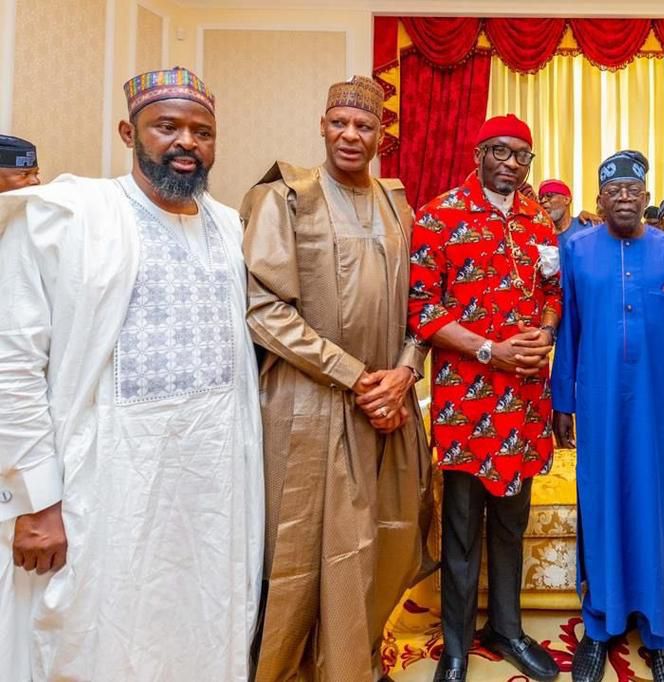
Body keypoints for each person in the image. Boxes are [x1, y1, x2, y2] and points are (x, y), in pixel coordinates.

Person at [0, 67, 262, 681]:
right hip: (104, 488)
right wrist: (37, 500)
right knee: (95, 634)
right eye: (167, 126)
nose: (187, 143)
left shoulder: (231, 229)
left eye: (202, 132)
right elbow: (12, 361)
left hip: (212, 490)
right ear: (129, 131)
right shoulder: (64, 216)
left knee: (204, 621)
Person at [241, 75, 433, 682]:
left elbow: (421, 308)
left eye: (365, 125)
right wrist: (356, 377)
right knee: (303, 551)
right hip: (310, 404)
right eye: (339, 123)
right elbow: (264, 310)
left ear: (382, 135)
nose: (351, 135)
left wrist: (403, 374)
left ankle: (356, 658)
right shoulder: (286, 197)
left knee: (388, 538)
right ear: (322, 126)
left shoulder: (396, 202)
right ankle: (292, 669)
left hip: (390, 407)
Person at [407, 113, 561, 682]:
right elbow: (423, 309)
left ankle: (507, 628)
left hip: (523, 399)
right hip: (467, 398)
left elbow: (553, 291)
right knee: (464, 522)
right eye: (500, 151)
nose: (511, 163)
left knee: (511, 520)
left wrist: (544, 332)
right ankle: (455, 643)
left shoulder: (539, 222)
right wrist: (490, 350)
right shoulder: (439, 214)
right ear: (479, 153)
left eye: (522, 155)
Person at [551, 150, 664, 682]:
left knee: (655, 505)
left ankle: (659, 633)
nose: (626, 198)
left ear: (646, 197)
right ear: (600, 199)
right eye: (616, 191)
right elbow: (568, 331)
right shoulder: (577, 250)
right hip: (597, 400)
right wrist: (562, 401)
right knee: (601, 498)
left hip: (656, 401)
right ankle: (600, 624)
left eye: (635, 190)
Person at [537, 178, 600, 249]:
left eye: (549, 195)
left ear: (566, 199)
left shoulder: (588, 227)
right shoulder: (540, 236)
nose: (543, 200)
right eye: (540, 198)